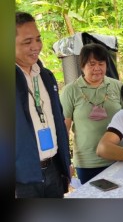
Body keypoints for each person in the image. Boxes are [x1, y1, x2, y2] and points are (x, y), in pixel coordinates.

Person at [15, 11, 71, 198]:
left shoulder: (46, 76)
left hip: (53, 169)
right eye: (27, 42)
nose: (36, 46)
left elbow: (58, 121)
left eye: (38, 39)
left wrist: (65, 162)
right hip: (21, 180)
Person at [60, 43, 123, 184]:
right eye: (92, 64)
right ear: (82, 66)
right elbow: (64, 127)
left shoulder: (118, 86)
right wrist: (65, 161)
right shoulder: (70, 90)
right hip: (87, 162)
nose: (97, 68)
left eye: (101, 64)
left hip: (118, 157)